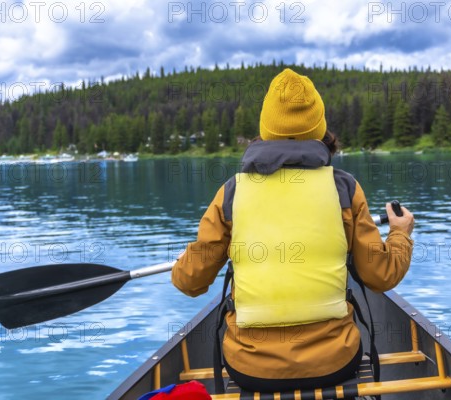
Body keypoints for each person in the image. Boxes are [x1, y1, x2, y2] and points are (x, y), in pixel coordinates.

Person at [172, 68, 414, 393]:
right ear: (319, 128)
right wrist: (400, 233)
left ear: (266, 129)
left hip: (249, 367)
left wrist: (188, 260)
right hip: (335, 363)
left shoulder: (231, 193)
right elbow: (380, 276)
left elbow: (190, 281)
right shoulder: (345, 189)